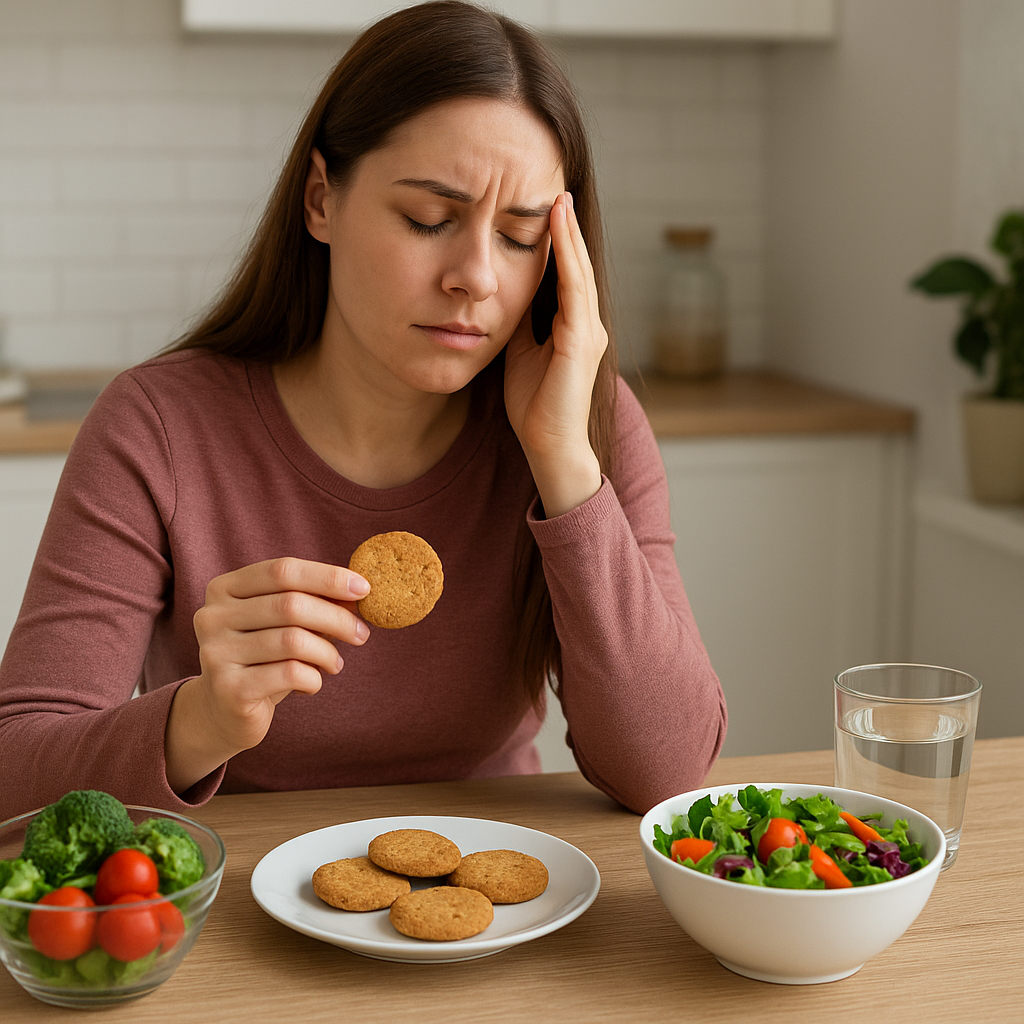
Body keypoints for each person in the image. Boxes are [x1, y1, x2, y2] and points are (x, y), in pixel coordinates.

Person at [0, 0, 725, 821]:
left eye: (521, 237)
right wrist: (199, 720)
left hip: (498, 901)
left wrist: (563, 461)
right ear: (320, 200)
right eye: (429, 219)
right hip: (234, 905)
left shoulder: (586, 423)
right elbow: (14, 768)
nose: (476, 277)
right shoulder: (158, 427)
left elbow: (668, 773)